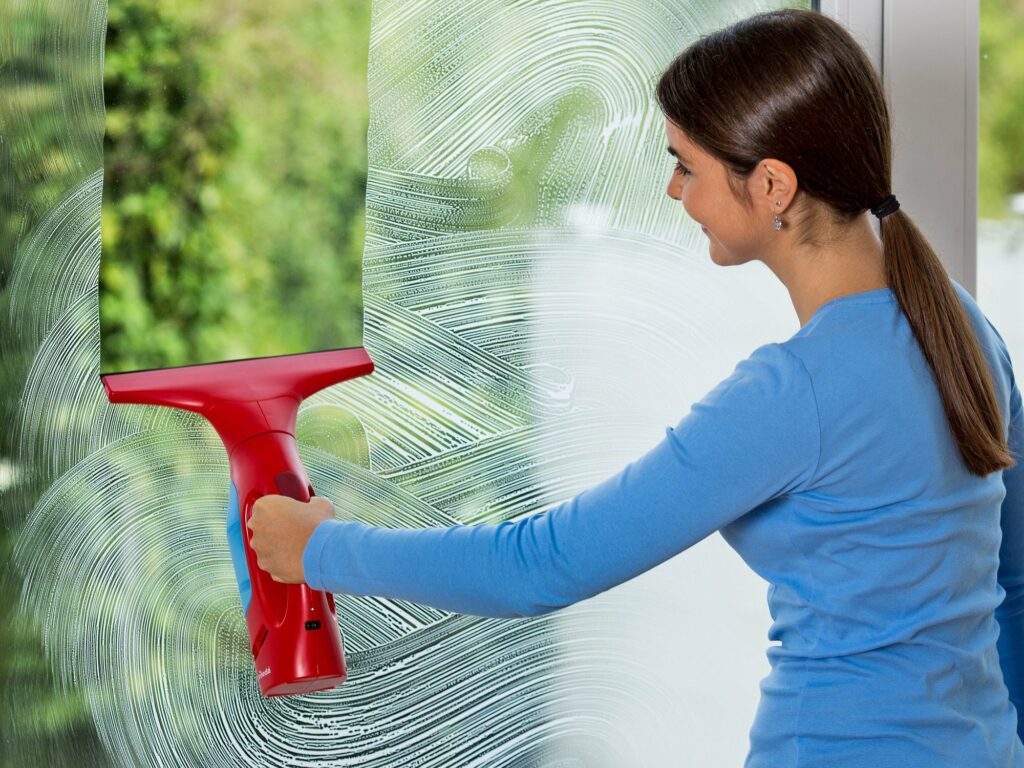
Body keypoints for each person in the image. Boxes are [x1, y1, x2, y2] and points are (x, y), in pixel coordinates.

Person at [247, 7, 1024, 767]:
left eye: (686, 164)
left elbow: (543, 564)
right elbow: (1011, 588)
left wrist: (321, 550)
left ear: (774, 186)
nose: (673, 191)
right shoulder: (961, 328)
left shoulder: (795, 393)